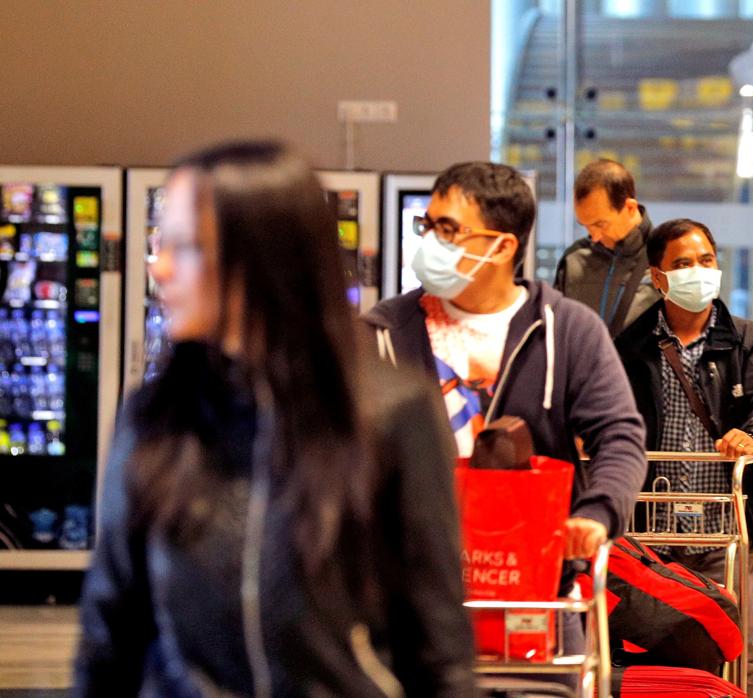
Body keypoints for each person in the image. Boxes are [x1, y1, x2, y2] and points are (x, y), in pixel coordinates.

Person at [74, 141, 475, 695]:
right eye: (158, 243)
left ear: (266, 260)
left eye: (184, 246)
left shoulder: (390, 414)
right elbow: (109, 638)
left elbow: (438, 648)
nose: (158, 267)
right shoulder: (156, 418)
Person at [361, 161, 648, 655]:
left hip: (532, 596)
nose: (431, 241)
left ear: (503, 245)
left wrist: (597, 513)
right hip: (408, 602)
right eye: (428, 226)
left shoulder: (567, 330)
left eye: (449, 229)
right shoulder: (382, 334)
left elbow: (619, 434)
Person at [614, 218, 753, 698]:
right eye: (683, 264)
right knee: (647, 642)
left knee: (735, 642)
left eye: (706, 260)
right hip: (646, 528)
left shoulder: (748, 341)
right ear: (658, 277)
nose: (699, 271)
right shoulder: (630, 348)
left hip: (723, 527)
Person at [554, 159, 661, 337]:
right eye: (586, 226)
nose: (594, 237)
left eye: (601, 224)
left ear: (630, 208)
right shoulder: (574, 260)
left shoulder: (665, 258)